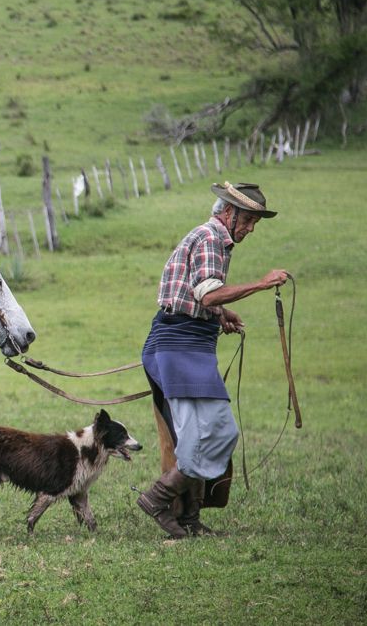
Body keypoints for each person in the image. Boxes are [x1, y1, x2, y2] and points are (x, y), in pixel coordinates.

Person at [136, 182, 288, 538]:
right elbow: (206, 294)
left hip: (188, 348)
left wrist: (220, 314)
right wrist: (262, 284)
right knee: (208, 436)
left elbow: (195, 294)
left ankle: (187, 517)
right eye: (248, 220)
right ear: (228, 212)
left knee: (213, 435)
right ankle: (158, 500)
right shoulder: (210, 239)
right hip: (178, 348)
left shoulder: (212, 239)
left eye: (254, 222)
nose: (250, 228)